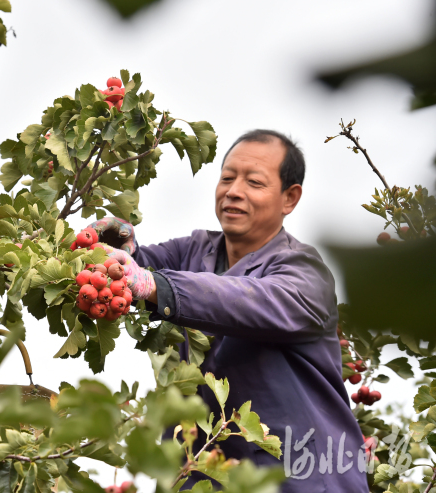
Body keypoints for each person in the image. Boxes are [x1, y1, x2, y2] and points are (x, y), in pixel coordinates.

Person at [91, 130, 368, 492]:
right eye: (227, 178)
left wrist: (155, 284)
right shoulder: (194, 251)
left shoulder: (305, 273)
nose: (233, 191)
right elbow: (139, 268)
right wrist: (116, 250)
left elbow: (246, 299)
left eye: (254, 182)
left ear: (290, 197)